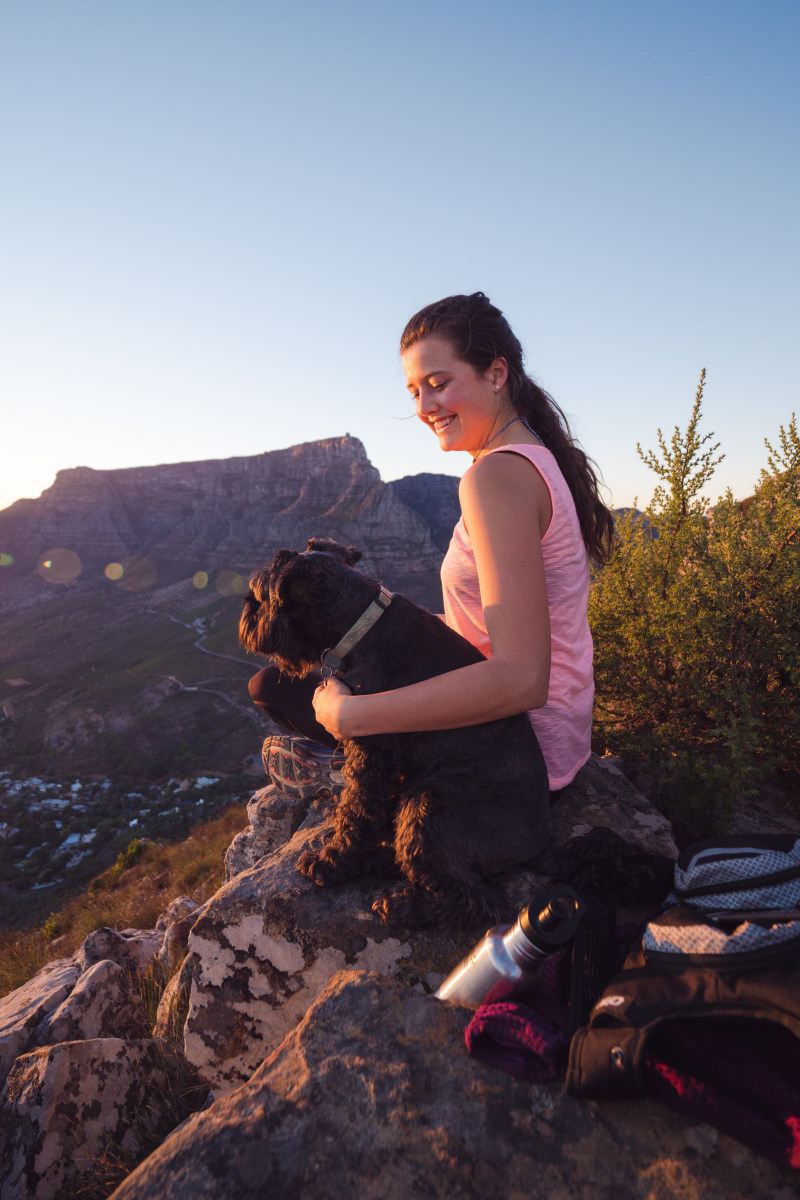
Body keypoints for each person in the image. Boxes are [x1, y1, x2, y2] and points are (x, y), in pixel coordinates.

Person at [250, 291, 614, 800]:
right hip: (553, 738)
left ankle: (350, 771)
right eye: (414, 391)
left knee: (275, 690)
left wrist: (354, 716)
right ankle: (352, 764)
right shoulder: (532, 455)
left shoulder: (495, 478)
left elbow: (522, 679)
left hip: (510, 757)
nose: (424, 407)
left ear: (496, 373)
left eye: (439, 385)